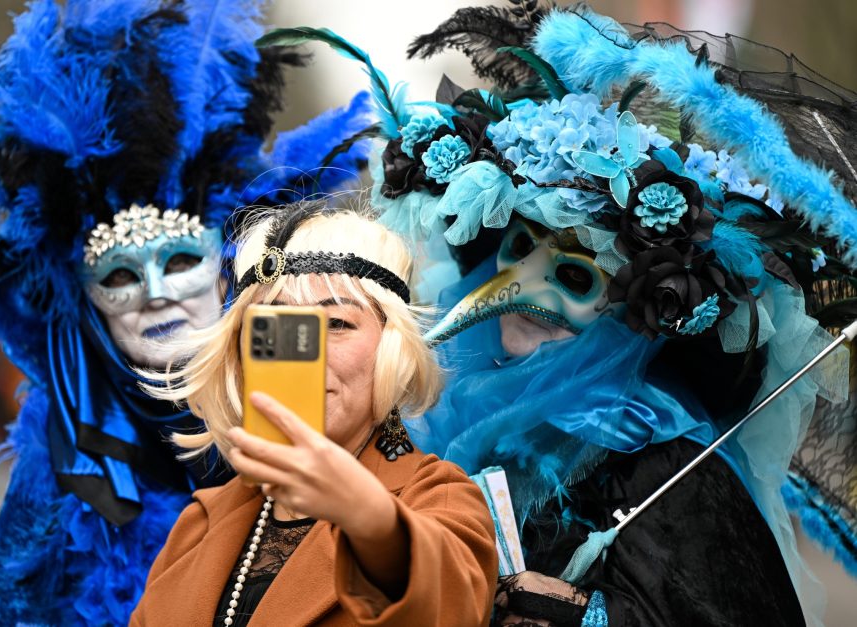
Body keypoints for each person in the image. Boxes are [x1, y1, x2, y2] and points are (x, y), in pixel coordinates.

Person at [270, 3, 857, 625]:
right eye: (519, 248)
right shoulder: (437, 423)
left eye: (574, 276)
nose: (527, 284)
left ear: (628, 311)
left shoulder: (656, 457)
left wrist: (586, 615)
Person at [0, 0, 371, 623]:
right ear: (90, 304)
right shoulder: (66, 460)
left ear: (225, 273)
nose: (155, 293)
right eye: (121, 276)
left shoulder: (323, 393)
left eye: (181, 263)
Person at [131, 202, 498, 626]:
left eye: (337, 323)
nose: (307, 353)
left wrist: (369, 519)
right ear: (241, 353)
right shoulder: (199, 525)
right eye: (279, 327)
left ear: (391, 348)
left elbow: (446, 608)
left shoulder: (437, 499)